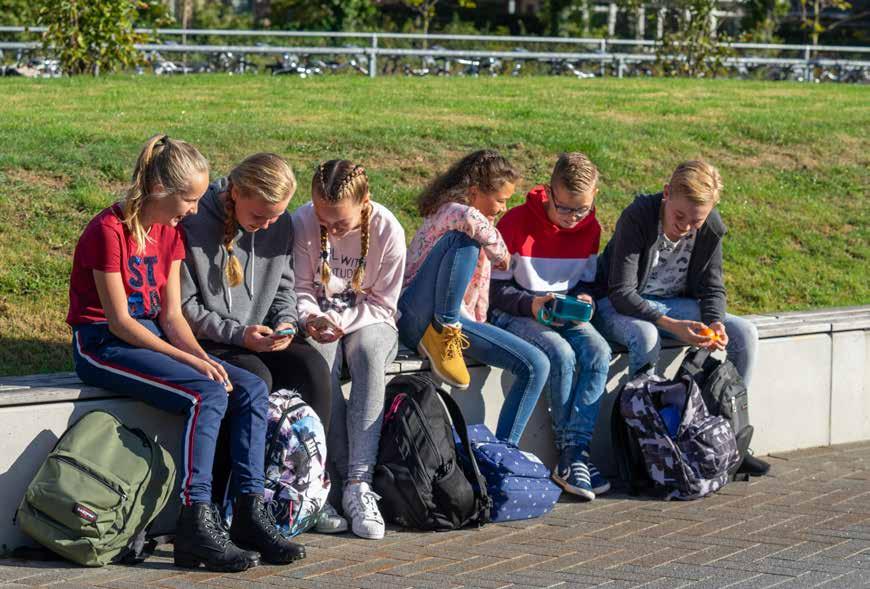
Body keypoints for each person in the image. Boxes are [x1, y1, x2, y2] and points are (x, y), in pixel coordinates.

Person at [67, 135, 304, 573]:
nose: (195, 210)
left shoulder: (169, 234)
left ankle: (249, 509)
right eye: (189, 199)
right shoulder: (108, 231)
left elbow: (173, 317)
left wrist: (203, 357)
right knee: (207, 393)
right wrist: (195, 364)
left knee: (247, 386)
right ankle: (196, 519)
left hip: (150, 335)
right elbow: (120, 322)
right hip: (101, 343)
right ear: (159, 191)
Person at [179, 152, 339, 531]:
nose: (267, 224)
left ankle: (310, 489)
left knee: (312, 367)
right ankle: (234, 501)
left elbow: (283, 287)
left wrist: (285, 322)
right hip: (212, 338)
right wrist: (238, 335)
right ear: (235, 192)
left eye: (274, 216)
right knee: (254, 379)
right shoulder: (194, 220)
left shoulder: (278, 224)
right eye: (259, 217)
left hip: (258, 336)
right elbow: (185, 308)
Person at [592, 159, 769, 476]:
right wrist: (671, 325)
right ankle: (646, 450)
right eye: (679, 216)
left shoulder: (710, 226)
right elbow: (621, 292)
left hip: (674, 305)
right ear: (666, 194)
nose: (686, 226)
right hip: (615, 305)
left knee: (744, 333)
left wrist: (715, 322)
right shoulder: (639, 217)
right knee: (646, 337)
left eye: (696, 221)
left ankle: (730, 442)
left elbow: (713, 288)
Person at [398, 149, 549, 446]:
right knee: (464, 238)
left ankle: (504, 455)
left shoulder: (480, 226)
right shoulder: (450, 213)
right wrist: (501, 252)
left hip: (457, 324)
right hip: (416, 315)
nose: (505, 208)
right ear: (474, 191)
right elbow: (468, 219)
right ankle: (444, 328)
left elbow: (478, 291)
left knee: (536, 365)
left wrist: (480, 324)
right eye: (501, 200)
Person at [292, 160, 406, 539]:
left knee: (369, 355)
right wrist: (311, 319)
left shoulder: (388, 229)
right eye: (324, 220)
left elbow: (383, 302)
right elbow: (301, 288)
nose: (330, 228)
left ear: (364, 202)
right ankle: (333, 477)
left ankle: (359, 481)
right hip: (319, 319)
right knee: (319, 363)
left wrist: (343, 324)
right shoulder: (304, 221)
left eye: (340, 222)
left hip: (370, 318)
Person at [489, 152, 612, 499]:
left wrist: (586, 298)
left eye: (582, 210)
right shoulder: (514, 223)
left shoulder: (591, 228)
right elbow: (493, 288)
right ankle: (570, 452)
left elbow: (588, 282)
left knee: (598, 351)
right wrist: (529, 303)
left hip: (563, 310)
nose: (573, 218)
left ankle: (576, 453)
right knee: (560, 353)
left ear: (595, 197)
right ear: (549, 192)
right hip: (516, 311)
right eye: (565, 209)